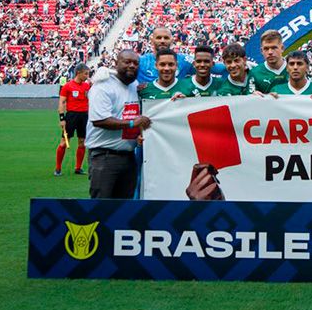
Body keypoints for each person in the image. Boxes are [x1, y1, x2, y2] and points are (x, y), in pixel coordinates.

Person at [87, 50, 149, 199]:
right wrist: (132, 123)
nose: (132, 66)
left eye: (135, 63)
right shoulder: (103, 86)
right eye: (127, 62)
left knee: (124, 207)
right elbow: (100, 120)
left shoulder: (134, 85)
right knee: (102, 205)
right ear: (116, 63)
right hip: (105, 156)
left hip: (128, 156)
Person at [136, 28, 223, 83]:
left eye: (166, 38)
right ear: (152, 40)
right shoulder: (141, 62)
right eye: (159, 38)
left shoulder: (184, 60)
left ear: (172, 40)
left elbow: (218, 68)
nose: (162, 41)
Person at [55, 64, 90, 176]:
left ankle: (78, 168)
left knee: (82, 142)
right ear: (78, 73)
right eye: (85, 74)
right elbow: (61, 102)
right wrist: (62, 118)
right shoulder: (68, 86)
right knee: (64, 142)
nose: (87, 76)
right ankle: (58, 168)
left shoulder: (87, 86)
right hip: (71, 116)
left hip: (84, 116)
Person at [249, 29, 288, 94]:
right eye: (266, 49)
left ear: (282, 48)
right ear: (261, 51)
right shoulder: (254, 73)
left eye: (274, 48)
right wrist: (252, 95)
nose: (270, 52)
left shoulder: (295, 69)